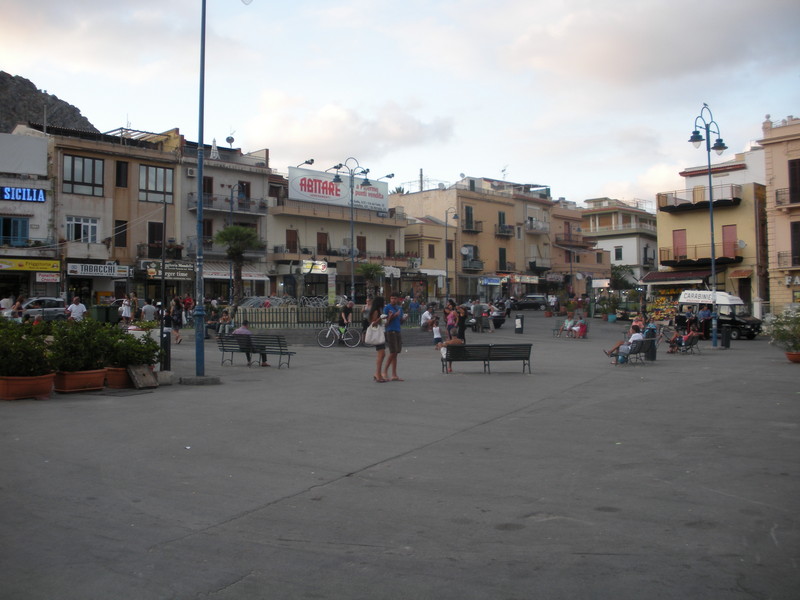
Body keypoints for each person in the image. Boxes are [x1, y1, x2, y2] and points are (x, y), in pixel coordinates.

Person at [382, 291, 406, 382]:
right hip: (390, 331)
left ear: (398, 299)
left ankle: (394, 375)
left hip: (397, 331)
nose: (393, 300)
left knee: (396, 353)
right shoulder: (387, 308)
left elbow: (400, 321)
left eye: (395, 298)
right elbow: (385, 322)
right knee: (392, 352)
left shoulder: (399, 308)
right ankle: (384, 372)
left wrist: (403, 319)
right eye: (391, 298)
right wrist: (392, 316)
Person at [367, 296, 387, 383]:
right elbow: (373, 323)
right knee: (381, 354)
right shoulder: (376, 311)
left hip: (380, 333)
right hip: (378, 334)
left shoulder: (378, 310)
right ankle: (378, 374)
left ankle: (377, 373)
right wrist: (381, 318)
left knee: (382, 354)